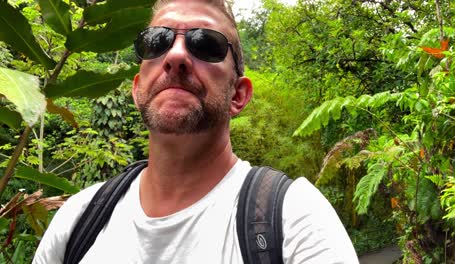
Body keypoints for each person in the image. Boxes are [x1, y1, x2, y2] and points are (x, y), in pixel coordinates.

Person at [33, 0, 359, 263]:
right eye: (157, 41)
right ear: (136, 89)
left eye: (205, 44)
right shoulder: (78, 219)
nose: (175, 56)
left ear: (238, 95)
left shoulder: (292, 218)